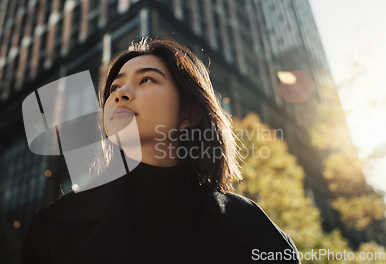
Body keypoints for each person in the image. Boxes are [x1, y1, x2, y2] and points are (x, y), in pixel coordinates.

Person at [21, 38, 300, 263]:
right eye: (114, 87)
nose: (120, 94)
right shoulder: (55, 229)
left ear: (188, 114)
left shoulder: (255, 230)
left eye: (146, 80)